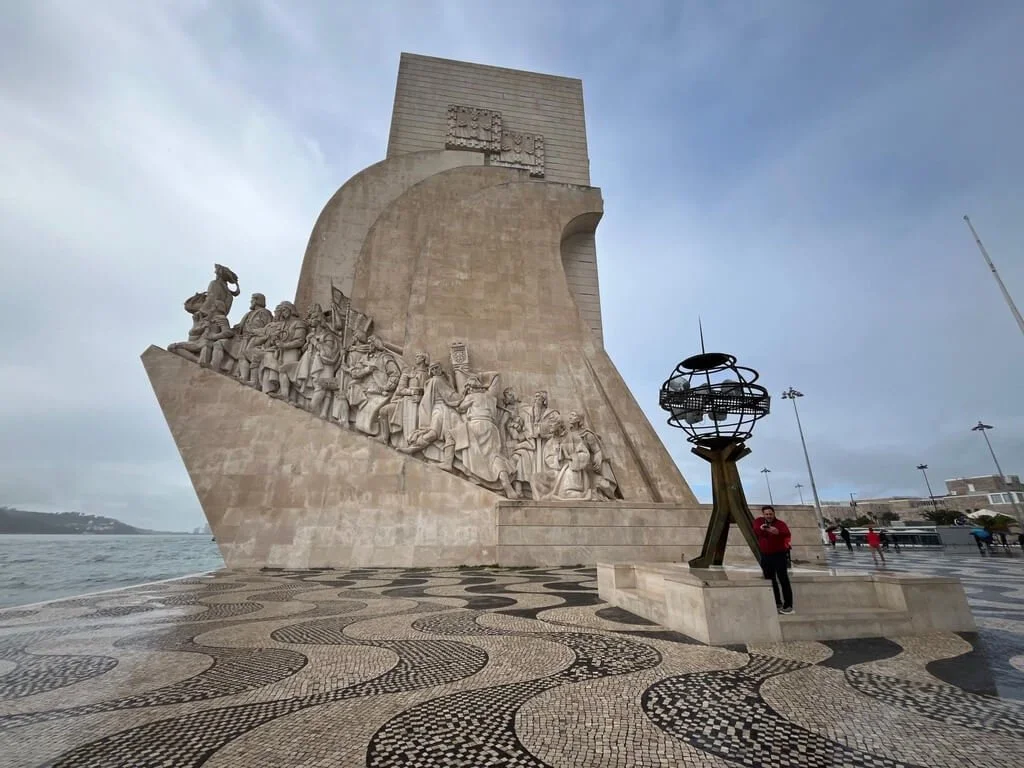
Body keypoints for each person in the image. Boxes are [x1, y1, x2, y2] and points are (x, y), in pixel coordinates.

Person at [754, 505, 793, 614]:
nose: (769, 516)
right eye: (766, 514)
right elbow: (756, 530)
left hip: (779, 555)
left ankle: (788, 604)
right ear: (763, 514)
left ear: (774, 513)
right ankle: (777, 602)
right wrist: (762, 529)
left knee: (783, 579)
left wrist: (778, 533)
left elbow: (786, 534)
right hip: (766, 556)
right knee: (770, 579)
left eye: (770, 514)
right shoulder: (759, 522)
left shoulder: (780, 524)